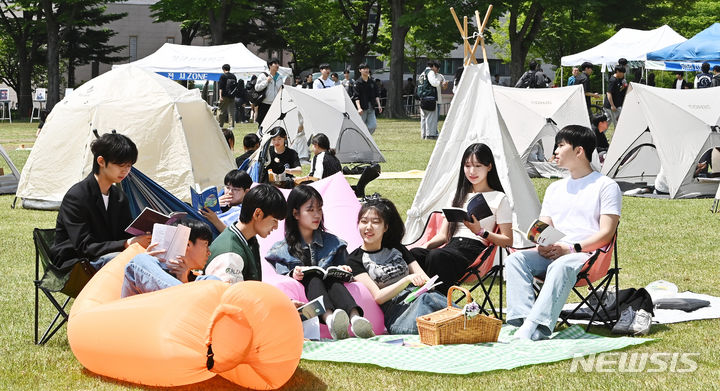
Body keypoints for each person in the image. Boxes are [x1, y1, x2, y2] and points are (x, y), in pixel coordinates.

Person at [506, 125, 621, 340]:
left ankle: (536, 327)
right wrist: (541, 243)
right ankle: (522, 321)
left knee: (561, 264)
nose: (555, 152)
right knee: (516, 260)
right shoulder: (554, 188)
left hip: (586, 254)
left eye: (560, 146)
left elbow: (606, 233)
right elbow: (544, 225)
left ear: (579, 151)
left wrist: (570, 248)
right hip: (554, 250)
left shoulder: (606, 186)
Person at [265, 186, 375, 339]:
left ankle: (356, 319)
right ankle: (331, 321)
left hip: (334, 291)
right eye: (310, 210)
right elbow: (281, 278)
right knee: (313, 278)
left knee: (332, 279)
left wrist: (343, 269)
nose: (317, 215)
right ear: (295, 213)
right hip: (306, 302)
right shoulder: (282, 249)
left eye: (319, 209)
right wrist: (294, 274)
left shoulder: (334, 243)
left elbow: (350, 275)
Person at [410, 143, 513, 295]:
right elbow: (443, 236)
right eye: (467, 165)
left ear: (489, 166)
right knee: (414, 254)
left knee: (437, 256)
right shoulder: (456, 195)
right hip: (450, 247)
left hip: (473, 251)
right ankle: (412, 300)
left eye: (478, 166)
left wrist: (481, 232)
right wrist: (426, 246)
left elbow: (507, 240)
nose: (472, 171)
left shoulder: (499, 198)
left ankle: (435, 301)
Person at [51, 132, 150, 271]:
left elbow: (125, 234)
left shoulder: (119, 197)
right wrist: (127, 243)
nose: (125, 170)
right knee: (133, 262)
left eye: (129, 165)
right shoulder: (77, 196)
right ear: (101, 161)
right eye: (120, 165)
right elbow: (85, 247)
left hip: (108, 257)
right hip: (77, 263)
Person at [347, 197, 447, 334]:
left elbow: (428, 281)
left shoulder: (397, 249)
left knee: (430, 298)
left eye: (375, 222)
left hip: (422, 298)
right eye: (364, 222)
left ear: (385, 227)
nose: (368, 227)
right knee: (429, 303)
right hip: (399, 314)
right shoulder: (354, 259)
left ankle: (467, 318)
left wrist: (424, 283)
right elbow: (378, 296)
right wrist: (406, 280)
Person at [121, 218, 219, 298]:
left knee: (211, 280)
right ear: (187, 245)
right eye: (206, 244)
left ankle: (187, 295)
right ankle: (187, 296)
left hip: (186, 304)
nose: (209, 252)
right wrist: (148, 263)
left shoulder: (198, 278)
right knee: (139, 261)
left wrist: (184, 281)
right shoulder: (142, 267)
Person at [208, 184, 287, 282]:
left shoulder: (249, 240)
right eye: (274, 221)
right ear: (258, 214)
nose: (276, 227)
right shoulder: (230, 254)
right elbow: (229, 296)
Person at [418, 61, 446, 139]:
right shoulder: (430, 72)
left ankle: (423, 135)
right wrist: (439, 82)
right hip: (430, 98)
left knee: (424, 118)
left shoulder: (422, 73)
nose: (437, 70)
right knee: (431, 118)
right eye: (437, 68)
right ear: (433, 66)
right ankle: (430, 135)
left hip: (423, 98)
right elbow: (434, 83)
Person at [352, 63, 382, 134]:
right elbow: (356, 97)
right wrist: (359, 108)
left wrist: (379, 105)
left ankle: (366, 139)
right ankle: (362, 140)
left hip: (371, 107)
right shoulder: (357, 83)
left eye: (367, 68)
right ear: (360, 70)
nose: (366, 70)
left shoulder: (372, 82)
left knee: (373, 126)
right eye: (364, 69)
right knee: (360, 127)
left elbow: (376, 95)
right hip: (362, 108)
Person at [255, 59, 283, 127]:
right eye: (275, 63)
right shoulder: (263, 75)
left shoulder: (280, 77)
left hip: (275, 104)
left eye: (278, 63)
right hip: (264, 103)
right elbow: (257, 88)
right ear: (270, 65)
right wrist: (266, 81)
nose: (277, 65)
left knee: (274, 124)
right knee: (262, 124)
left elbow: (281, 89)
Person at [217, 64, 237, 128]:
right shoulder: (234, 76)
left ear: (223, 69)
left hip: (224, 96)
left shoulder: (223, 76)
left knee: (221, 110)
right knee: (231, 111)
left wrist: (220, 96)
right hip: (232, 96)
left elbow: (221, 87)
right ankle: (231, 126)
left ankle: (220, 125)